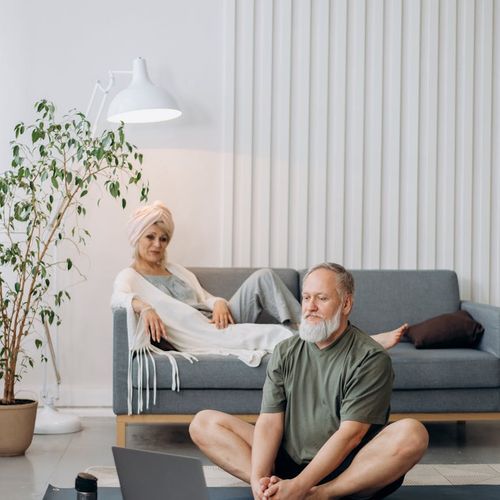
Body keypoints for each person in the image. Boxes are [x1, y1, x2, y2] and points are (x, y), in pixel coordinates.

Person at [189, 263, 429, 500]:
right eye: (306, 298)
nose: (310, 307)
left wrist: (302, 487)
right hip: (288, 461)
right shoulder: (285, 351)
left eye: (322, 299)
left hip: (347, 468)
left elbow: (350, 435)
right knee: (203, 423)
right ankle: (271, 490)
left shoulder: (370, 358)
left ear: (346, 304)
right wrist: (258, 480)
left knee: (413, 433)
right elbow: (270, 423)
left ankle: (321, 494)